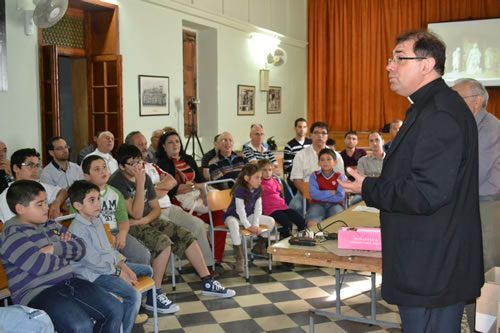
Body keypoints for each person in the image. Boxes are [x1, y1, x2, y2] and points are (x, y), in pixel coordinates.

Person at [339, 30, 484, 332]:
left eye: (399, 58)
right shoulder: (430, 107)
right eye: (391, 59)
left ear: (426, 64)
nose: (390, 66)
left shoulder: (440, 113)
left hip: (432, 266)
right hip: (430, 261)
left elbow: (425, 192)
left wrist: (367, 187)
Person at [108, 144, 235, 306]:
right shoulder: (117, 182)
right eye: (132, 164)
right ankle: (155, 294)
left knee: (187, 236)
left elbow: (156, 210)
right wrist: (140, 184)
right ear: (121, 166)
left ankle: (207, 281)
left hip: (146, 220)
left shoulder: (144, 176)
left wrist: (146, 219)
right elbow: (136, 213)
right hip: (128, 225)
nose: (138, 167)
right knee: (163, 244)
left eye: (139, 162)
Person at [0, 180, 123, 332]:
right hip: (37, 293)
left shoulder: (51, 225)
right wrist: (66, 251)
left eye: (46, 202)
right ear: (20, 209)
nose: (47, 208)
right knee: (80, 325)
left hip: (69, 282)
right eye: (40, 204)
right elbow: (40, 266)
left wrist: (54, 248)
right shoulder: (12, 235)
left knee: (114, 308)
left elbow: (81, 248)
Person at [68, 180, 153, 333]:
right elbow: (93, 262)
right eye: (91, 200)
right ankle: (127, 326)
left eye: (98, 199)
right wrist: (119, 273)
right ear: (78, 206)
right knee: (132, 295)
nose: (97, 204)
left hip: (110, 267)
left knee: (146, 270)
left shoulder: (97, 220)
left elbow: (109, 250)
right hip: (94, 275)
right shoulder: (77, 229)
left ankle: (131, 313)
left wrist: (123, 266)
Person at [126, 131, 217, 273]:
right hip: (151, 210)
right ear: (131, 148)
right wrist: (159, 189)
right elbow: (142, 196)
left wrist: (152, 190)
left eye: (145, 144)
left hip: (170, 207)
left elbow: (172, 182)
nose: (144, 147)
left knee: (198, 225)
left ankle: (207, 266)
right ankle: (165, 273)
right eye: (140, 145)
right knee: (168, 232)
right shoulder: (130, 171)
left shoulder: (151, 166)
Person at [453, 78, 500, 331]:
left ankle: (483, 327)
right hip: (473, 205)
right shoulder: (471, 125)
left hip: (487, 208)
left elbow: (475, 173)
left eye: (456, 97)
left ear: (477, 101)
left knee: (485, 271)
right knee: (472, 271)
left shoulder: (490, 129)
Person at [156, 131, 227, 266]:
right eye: (170, 142)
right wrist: (196, 187)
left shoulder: (188, 159)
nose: (175, 145)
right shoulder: (162, 164)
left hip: (197, 198)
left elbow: (201, 180)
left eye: (177, 141)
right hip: (179, 203)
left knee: (220, 217)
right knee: (197, 226)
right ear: (164, 146)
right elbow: (173, 189)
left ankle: (216, 257)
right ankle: (202, 262)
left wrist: (202, 190)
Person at [81, 155, 151, 266]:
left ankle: (135, 280)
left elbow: (123, 219)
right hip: (95, 235)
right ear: (87, 176)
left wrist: (122, 234)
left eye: (104, 167)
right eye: (97, 169)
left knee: (143, 255)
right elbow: (81, 224)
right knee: (116, 260)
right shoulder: (82, 196)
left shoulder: (115, 193)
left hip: (116, 231)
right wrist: (106, 236)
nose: (103, 171)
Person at [223, 164, 275, 272]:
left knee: (270, 221)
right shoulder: (239, 189)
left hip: (248, 216)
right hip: (233, 216)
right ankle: (239, 257)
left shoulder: (258, 189)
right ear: (247, 178)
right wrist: (249, 226)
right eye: (256, 178)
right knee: (233, 224)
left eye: (260, 178)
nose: (260, 180)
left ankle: (259, 247)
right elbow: (240, 210)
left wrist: (255, 225)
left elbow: (258, 209)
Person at [288, 122, 344, 216]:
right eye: (316, 133)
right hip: (305, 191)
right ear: (311, 135)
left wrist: (325, 197)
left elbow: (341, 179)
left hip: (331, 193)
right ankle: (303, 228)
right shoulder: (301, 155)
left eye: (323, 133)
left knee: (336, 214)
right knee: (294, 206)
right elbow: (297, 180)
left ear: (327, 136)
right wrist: (311, 196)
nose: (320, 136)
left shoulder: (336, 156)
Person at [0, 148, 67, 222]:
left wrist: (57, 203)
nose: (35, 170)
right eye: (30, 165)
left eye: (37, 166)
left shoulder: (39, 186)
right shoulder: (6, 196)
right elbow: (15, 228)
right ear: (16, 168)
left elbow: (63, 192)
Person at [258, 159, 305, 238]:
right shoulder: (259, 183)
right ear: (259, 171)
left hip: (282, 207)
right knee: (287, 224)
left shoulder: (275, 181)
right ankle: (285, 240)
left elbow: (280, 195)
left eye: (269, 170)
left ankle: (302, 238)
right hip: (271, 210)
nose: (267, 173)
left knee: (300, 220)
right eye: (264, 170)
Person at [306, 149, 345, 228]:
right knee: (312, 223)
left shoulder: (340, 176)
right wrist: (331, 193)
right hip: (317, 204)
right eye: (322, 160)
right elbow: (314, 194)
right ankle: (315, 239)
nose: (325, 162)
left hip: (335, 205)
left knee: (337, 223)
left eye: (328, 159)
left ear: (335, 162)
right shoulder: (314, 175)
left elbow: (340, 196)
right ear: (319, 163)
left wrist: (322, 196)